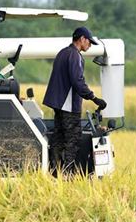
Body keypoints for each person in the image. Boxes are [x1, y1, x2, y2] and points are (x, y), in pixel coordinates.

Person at [43, 26, 107, 174]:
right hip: (68, 105)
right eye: (89, 41)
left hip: (58, 104)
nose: (90, 45)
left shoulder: (62, 53)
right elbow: (77, 82)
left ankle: (54, 172)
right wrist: (94, 98)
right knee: (72, 140)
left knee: (58, 138)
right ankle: (68, 173)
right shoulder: (75, 56)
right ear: (82, 39)